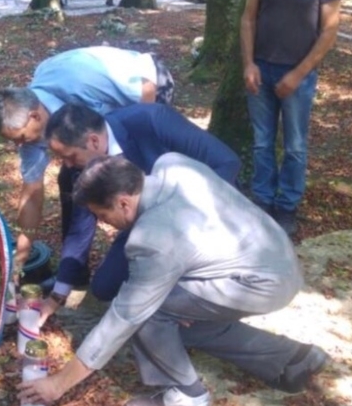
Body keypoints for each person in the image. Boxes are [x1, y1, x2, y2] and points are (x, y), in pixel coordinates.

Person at [18, 153, 328, 406]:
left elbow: (124, 318)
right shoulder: (173, 164)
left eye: (102, 215)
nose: (103, 223)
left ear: (124, 202)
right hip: (278, 254)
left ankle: (186, 395)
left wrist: (57, 384)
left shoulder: (151, 239)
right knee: (177, 318)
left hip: (260, 282)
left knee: (150, 314)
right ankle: (291, 359)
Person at [0, 46, 175, 296]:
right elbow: (32, 190)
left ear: (35, 116)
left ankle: (147, 260)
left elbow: (145, 91)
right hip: (100, 118)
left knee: (134, 185)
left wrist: (134, 160)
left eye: (20, 138)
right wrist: (23, 249)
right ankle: (74, 273)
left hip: (145, 87)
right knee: (72, 182)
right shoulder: (28, 131)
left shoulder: (78, 80)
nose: (19, 146)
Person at [42, 102, 241, 308]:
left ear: (93, 141)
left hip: (198, 218)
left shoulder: (151, 120)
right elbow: (79, 228)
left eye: (70, 156)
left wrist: (189, 216)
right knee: (104, 287)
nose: (67, 165)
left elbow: (227, 162)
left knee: (173, 297)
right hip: (144, 226)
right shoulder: (82, 168)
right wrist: (59, 293)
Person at [241, 0, 342, 236]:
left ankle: (287, 206)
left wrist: (299, 73)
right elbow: (248, 18)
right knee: (262, 141)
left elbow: (329, 31)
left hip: (299, 74)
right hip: (261, 69)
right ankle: (263, 200)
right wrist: (248, 63)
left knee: (295, 144)